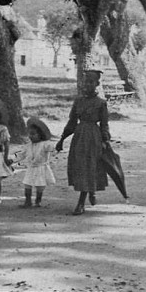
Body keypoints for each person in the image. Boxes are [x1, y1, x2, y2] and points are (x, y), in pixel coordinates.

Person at [56, 69, 111, 215]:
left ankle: (81, 202)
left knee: (89, 166)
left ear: (97, 84)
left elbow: (104, 124)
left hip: (93, 138)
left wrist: (106, 140)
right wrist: (62, 139)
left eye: (91, 82)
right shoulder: (78, 101)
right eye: (85, 81)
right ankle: (90, 190)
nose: (87, 84)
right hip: (79, 137)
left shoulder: (101, 103)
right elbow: (72, 122)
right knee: (80, 166)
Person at [20, 117, 57, 208]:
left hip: (41, 168)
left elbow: (53, 150)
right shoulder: (28, 145)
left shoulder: (45, 144)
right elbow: (22, 154)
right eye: (29, 134)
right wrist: (12, 159)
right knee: (27, 184)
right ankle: (27, 201)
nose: (31, 136)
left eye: (33, 134)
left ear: (40, 134)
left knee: (39, 185)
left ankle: (38, 201)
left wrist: (56, 148)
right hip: (31, 167)